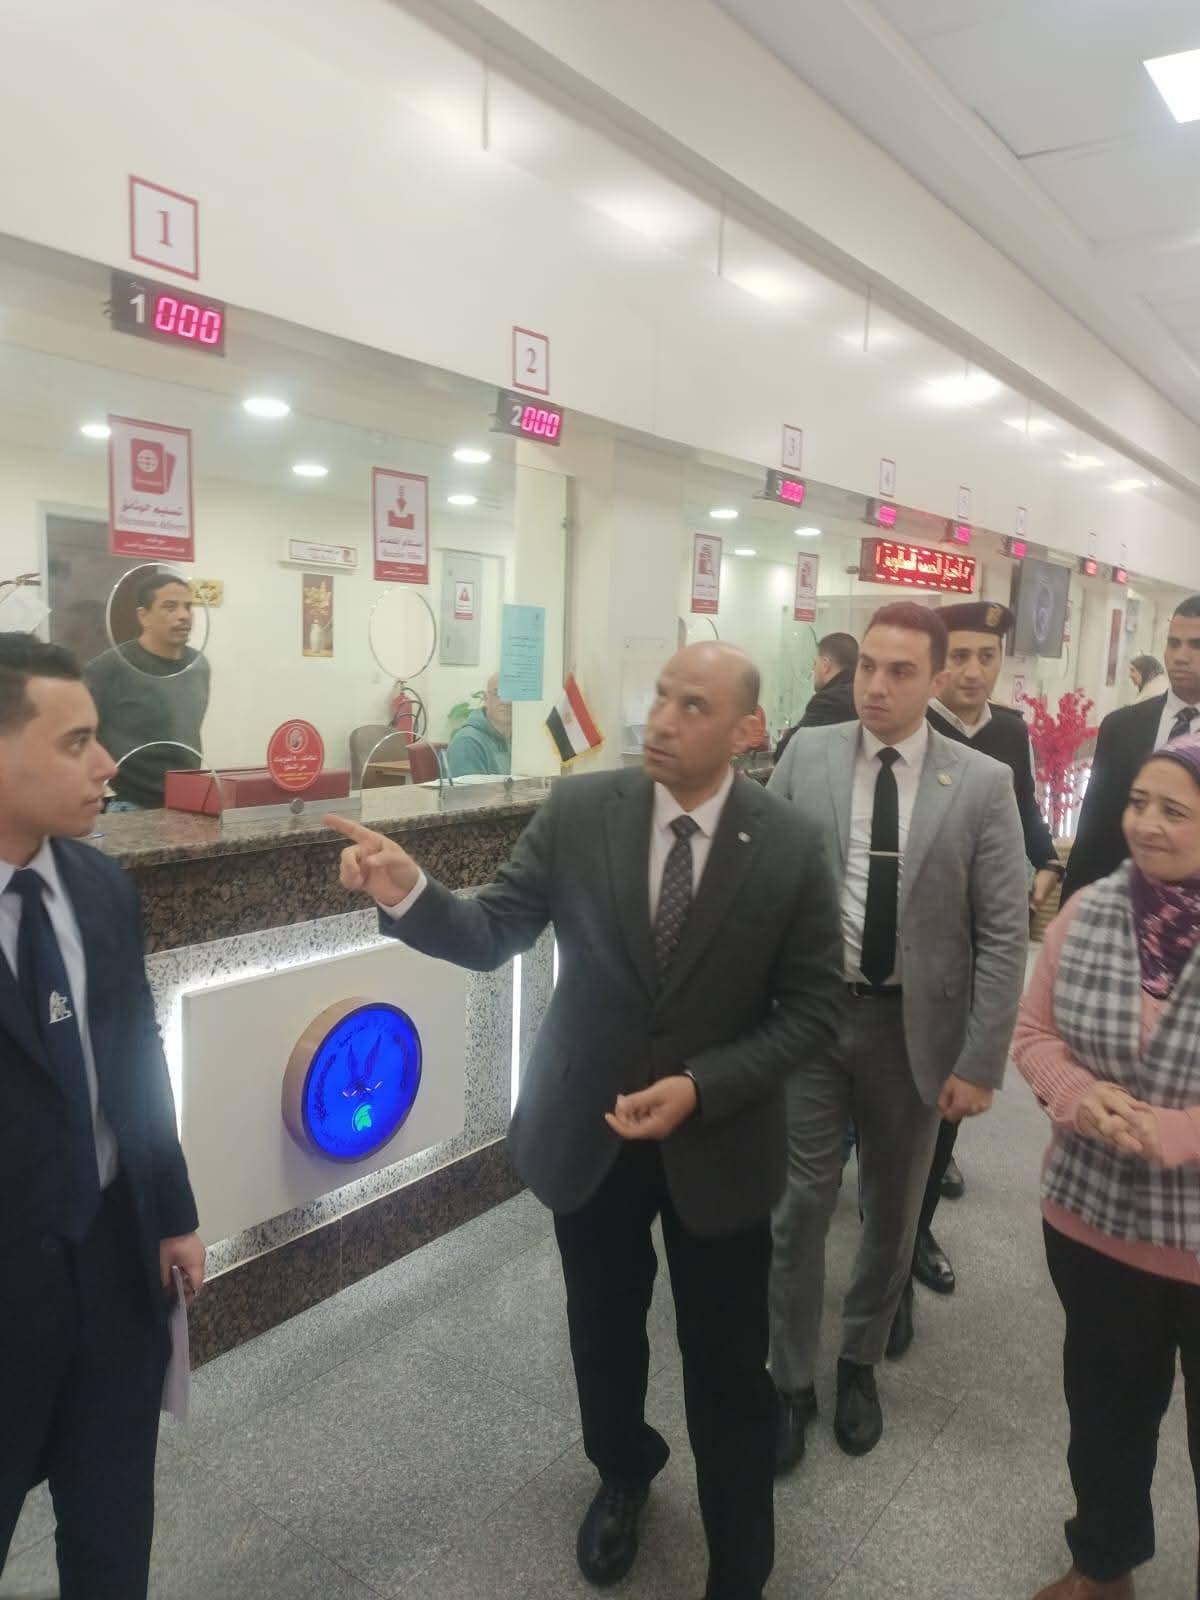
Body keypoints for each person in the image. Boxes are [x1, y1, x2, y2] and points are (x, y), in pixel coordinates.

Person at [327, 641, 844, 1600]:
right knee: (602, 1332)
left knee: (726, 1364)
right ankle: (622, 1470)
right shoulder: (579, 812)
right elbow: (496, 931)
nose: (663, 720)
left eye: (694, 706)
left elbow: (815, 1011)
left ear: (748, 729)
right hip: (590, 1128)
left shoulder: (788, 844)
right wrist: (409, 891)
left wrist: (702, 1085)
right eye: (662, 696)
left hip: (719, 1141)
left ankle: (740, 1562)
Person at [767, 602, 1028, 1468]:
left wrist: (981, 1060)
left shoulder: (981, 782)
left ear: (938, 677)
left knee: (891, 1208)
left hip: (913, 1026)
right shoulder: (807, 754)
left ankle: (859, 1363)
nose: (875, 686)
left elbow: (1002, 933)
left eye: (900, 671)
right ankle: (789, 1380)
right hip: (812, 1018)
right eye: (867, 667)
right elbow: (760, 881)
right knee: (800, 1206)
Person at [0, 633, 204, 1599]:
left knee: (112, 1537)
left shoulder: (99, 886)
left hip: (114, 1270)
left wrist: (172, 1210)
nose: (107, 764)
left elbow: (135, 1058)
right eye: (76, 741)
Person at [1014, 732, 1200, 1600]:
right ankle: (1103, 1566)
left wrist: (1175, 1132)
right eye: (1138, 803)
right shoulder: (1087, 910)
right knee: (1105, 1416)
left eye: (1176, 811)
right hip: (1093, 1223)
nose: (1148, 824)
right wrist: (1078, 1096)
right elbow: (1033, 1035)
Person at [901, 601, 1064, 1318]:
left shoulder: (1009, 730)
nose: (973, 671)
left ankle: (917, 1228)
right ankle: (890, 1231)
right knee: (896, 1091)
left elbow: (1023, 807)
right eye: (960, 657)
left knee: (952, 1082)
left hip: (978, 942)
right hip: (910, 938)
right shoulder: (912, 724)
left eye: (986, 657)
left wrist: (1046, 860)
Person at [1062, 595, 1200, 904]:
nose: (1181, 656)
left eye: (1196, 645)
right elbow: (1094, 831)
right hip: (1120, 905)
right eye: (1174, 643)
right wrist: (1073, 908)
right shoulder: (1121, 727)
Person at [84, 573, 211, 810]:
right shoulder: (110, 667)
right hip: (128, 801)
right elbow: (83, 735)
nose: (183, 615)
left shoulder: (198, 665)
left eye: (187, 607)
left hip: (186, 796)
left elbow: (187, 728)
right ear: (144, 616)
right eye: (169, 607)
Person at [775, 631, 858, 760]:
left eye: (815, 664)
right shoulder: (861, 696)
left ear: (825, 665)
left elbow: (785, 752)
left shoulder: (829, 701)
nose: (813, 670)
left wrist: (788, 735)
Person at [445, 672, 511, 778]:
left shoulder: (521, 739)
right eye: (498, 693)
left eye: (512, 695)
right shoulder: (467, 742)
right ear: (486, 699)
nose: (506, 701)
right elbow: (470, 789)